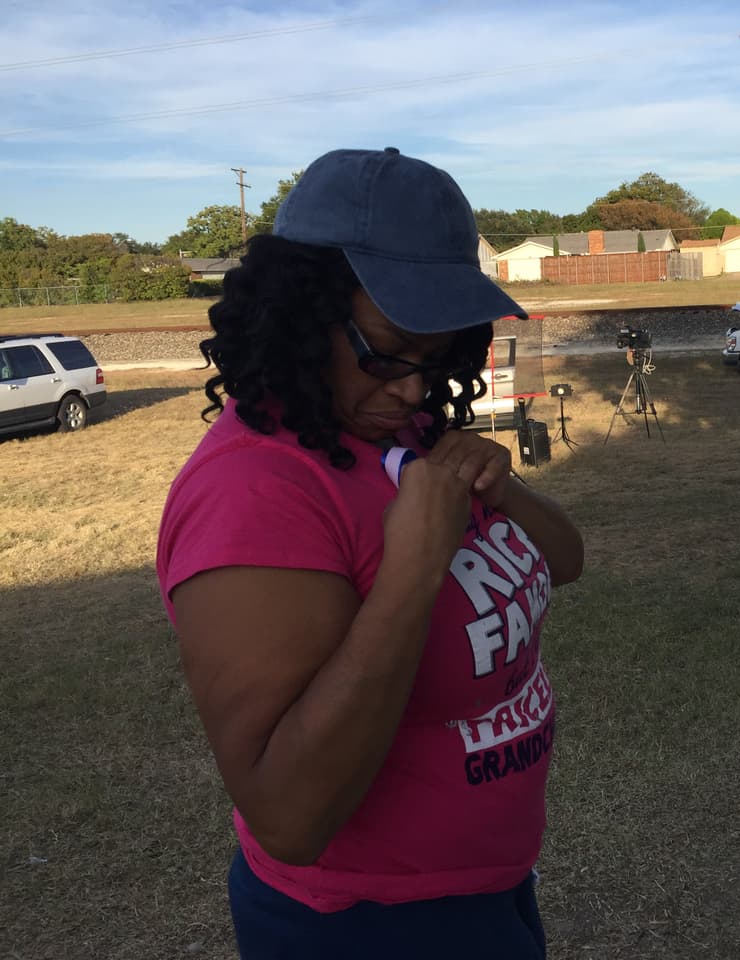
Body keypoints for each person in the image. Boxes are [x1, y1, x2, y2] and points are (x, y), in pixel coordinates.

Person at [155, 147, 584, 959]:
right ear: (301, 314)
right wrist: (411, 573)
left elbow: (567, 562)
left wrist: (509, 492)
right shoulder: (253, 492)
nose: (417, 388)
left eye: (440, 356)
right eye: (390, 352)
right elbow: (288, 816)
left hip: (485, 890)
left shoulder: (398, 427)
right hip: (364, 924)